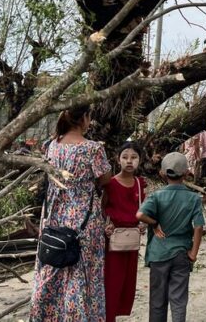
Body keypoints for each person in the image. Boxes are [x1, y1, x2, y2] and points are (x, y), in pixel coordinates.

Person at [30, 105, 113, 322]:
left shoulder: (51, 145)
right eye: (89, 116)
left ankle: (46, 316)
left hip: (53, 217)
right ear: (84, 118)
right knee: (82, 271)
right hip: (83, 220)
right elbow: (105, 179)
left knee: (52, 265)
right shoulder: (93, 149)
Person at [137, 152, 204, 322]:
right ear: (186, 173)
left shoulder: (157, 196)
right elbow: (198, 226)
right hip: (182, 254)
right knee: (179, 300)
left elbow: (140, 215)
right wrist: (193, 253)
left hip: (158, 255)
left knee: (157, 300)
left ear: (162, 173)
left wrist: (153, 223)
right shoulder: (193, 198)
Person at [102, 141, 147, 322]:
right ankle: (107, 317)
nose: (129, 161)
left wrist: (142, 223)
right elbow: (102, 208)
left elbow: (143, 209)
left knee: (127, 283)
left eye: (134, 157)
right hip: (114, 240)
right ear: (117, 159)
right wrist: (105, 225)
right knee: (112, 282)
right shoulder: (110, 184)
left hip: (132, 240)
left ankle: (116, 314)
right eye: (125, 157)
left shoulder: (139, 183)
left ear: (140, 160)